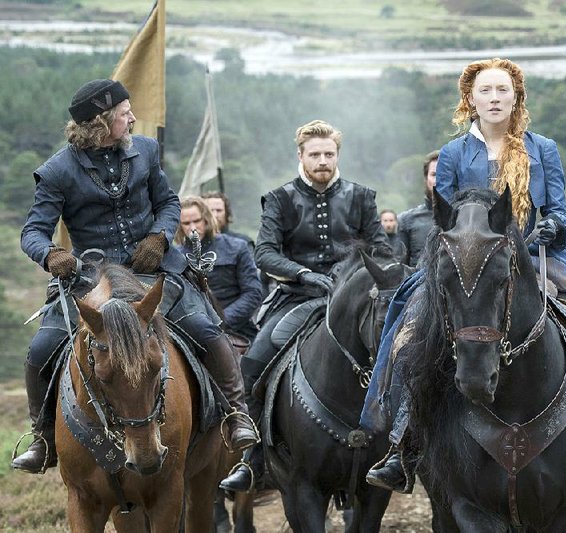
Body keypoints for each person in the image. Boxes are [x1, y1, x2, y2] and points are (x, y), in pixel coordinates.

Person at [365, 58, 566, 495]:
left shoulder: (542, 148)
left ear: (516, 96)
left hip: (538, 256)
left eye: (503, 90)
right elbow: (441, 216)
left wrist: (551, 228)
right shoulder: (452, 154)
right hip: (466, 261)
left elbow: (558, 209)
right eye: (486, 91)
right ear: (471, 99)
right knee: (407, 332)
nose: (495, 98)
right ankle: (401, 445)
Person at [13, 79, 257, 474]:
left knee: (208, 331)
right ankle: (42, 438)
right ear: (101, 123)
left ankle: (236, 415)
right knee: (40, 351)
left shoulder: (146, 150)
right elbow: (32, 233)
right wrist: (51, 254)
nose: (133, 118)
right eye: (125, 113)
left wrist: (160, 237)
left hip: (154, 271)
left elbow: (169, 202)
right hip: (89, 280)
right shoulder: (58, 170)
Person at [220, 119, 390, 491]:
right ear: (301, 155)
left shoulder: (361, 197)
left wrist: (352, 276)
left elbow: (383, 248)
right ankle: (254, 460)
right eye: (315, 154)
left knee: (399, 355)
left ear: (337, 155)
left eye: (329, 154)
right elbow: (264, 252)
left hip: (354, 300)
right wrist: (301, 273)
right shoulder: (280, 198)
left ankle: (402, 451)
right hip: (297, 297)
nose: (323, 161)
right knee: (252, 362)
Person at [176, 196, 262, 342]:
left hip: (236, 328)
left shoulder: (237, 247)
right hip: (191, 331)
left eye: (196, 221)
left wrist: (222, 321)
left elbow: (253, 293)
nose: (193, 228)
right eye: (186, 223)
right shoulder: (175, 257)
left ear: (206, 219)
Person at [397, 150, 438, 267]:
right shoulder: (406, 220)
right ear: (426, 179)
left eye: (444, 173)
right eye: (434, 174)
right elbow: (399, 271)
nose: (439, 179)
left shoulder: (464, 220)